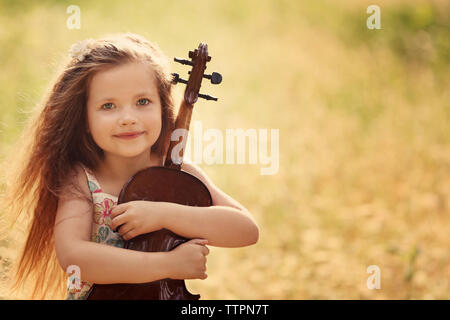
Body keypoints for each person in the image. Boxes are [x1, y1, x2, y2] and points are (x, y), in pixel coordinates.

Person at [0, 33, 259, 300]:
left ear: (163, 106)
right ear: (84, 118)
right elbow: (74, 257)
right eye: (108, 106)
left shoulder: (179, 176)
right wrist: (167, 265)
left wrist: (163, 214)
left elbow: (245, 229)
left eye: (142, 102)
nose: (128, 118)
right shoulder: (83, 179)